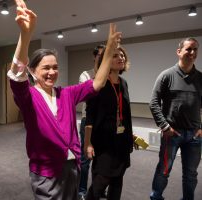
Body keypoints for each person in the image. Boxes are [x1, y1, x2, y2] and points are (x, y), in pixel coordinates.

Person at [9, 0, 122, 199]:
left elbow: (97, 83)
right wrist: (25, 35)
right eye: (46, 68)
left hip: (72, 166)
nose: (52, 72)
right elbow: (17, 76)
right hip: (46, 172)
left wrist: (109, 52)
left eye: (55, 67)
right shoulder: (28, 96)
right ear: (33, 72)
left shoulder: (66, 93)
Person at [149, 37, 201, 200]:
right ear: (179, 52)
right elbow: (154, 103)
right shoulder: (166, 75)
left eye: (195, 49)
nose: (192, 53)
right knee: (163, 170)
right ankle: (156, 197)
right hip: (172, 134)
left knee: (191, 174)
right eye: (188, 49)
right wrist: (165, 126)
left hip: (194, 136)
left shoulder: (201, 78)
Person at [84, 46, 136, 200]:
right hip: (104, 144)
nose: (120, 58)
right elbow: (90, 116)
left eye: (122, 55)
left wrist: (130, 134)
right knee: (100, 183)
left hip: (121, 142)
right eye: (114, 56)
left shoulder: (124, 83)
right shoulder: (97, 84)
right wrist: (87, 143)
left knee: (117, 182)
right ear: (105, 61)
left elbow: (125, 114)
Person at [78, 44, 106, 200]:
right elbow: (88, 93)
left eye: (105, 55)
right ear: (95, 57)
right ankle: (81, 190)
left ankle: (98, 189)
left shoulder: (111, 74)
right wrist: (100, 75)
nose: (103, 58)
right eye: (100, 55)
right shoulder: (85, 75)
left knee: (103, 159)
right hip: (87, 121)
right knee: (85, 159)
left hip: (105, 123)